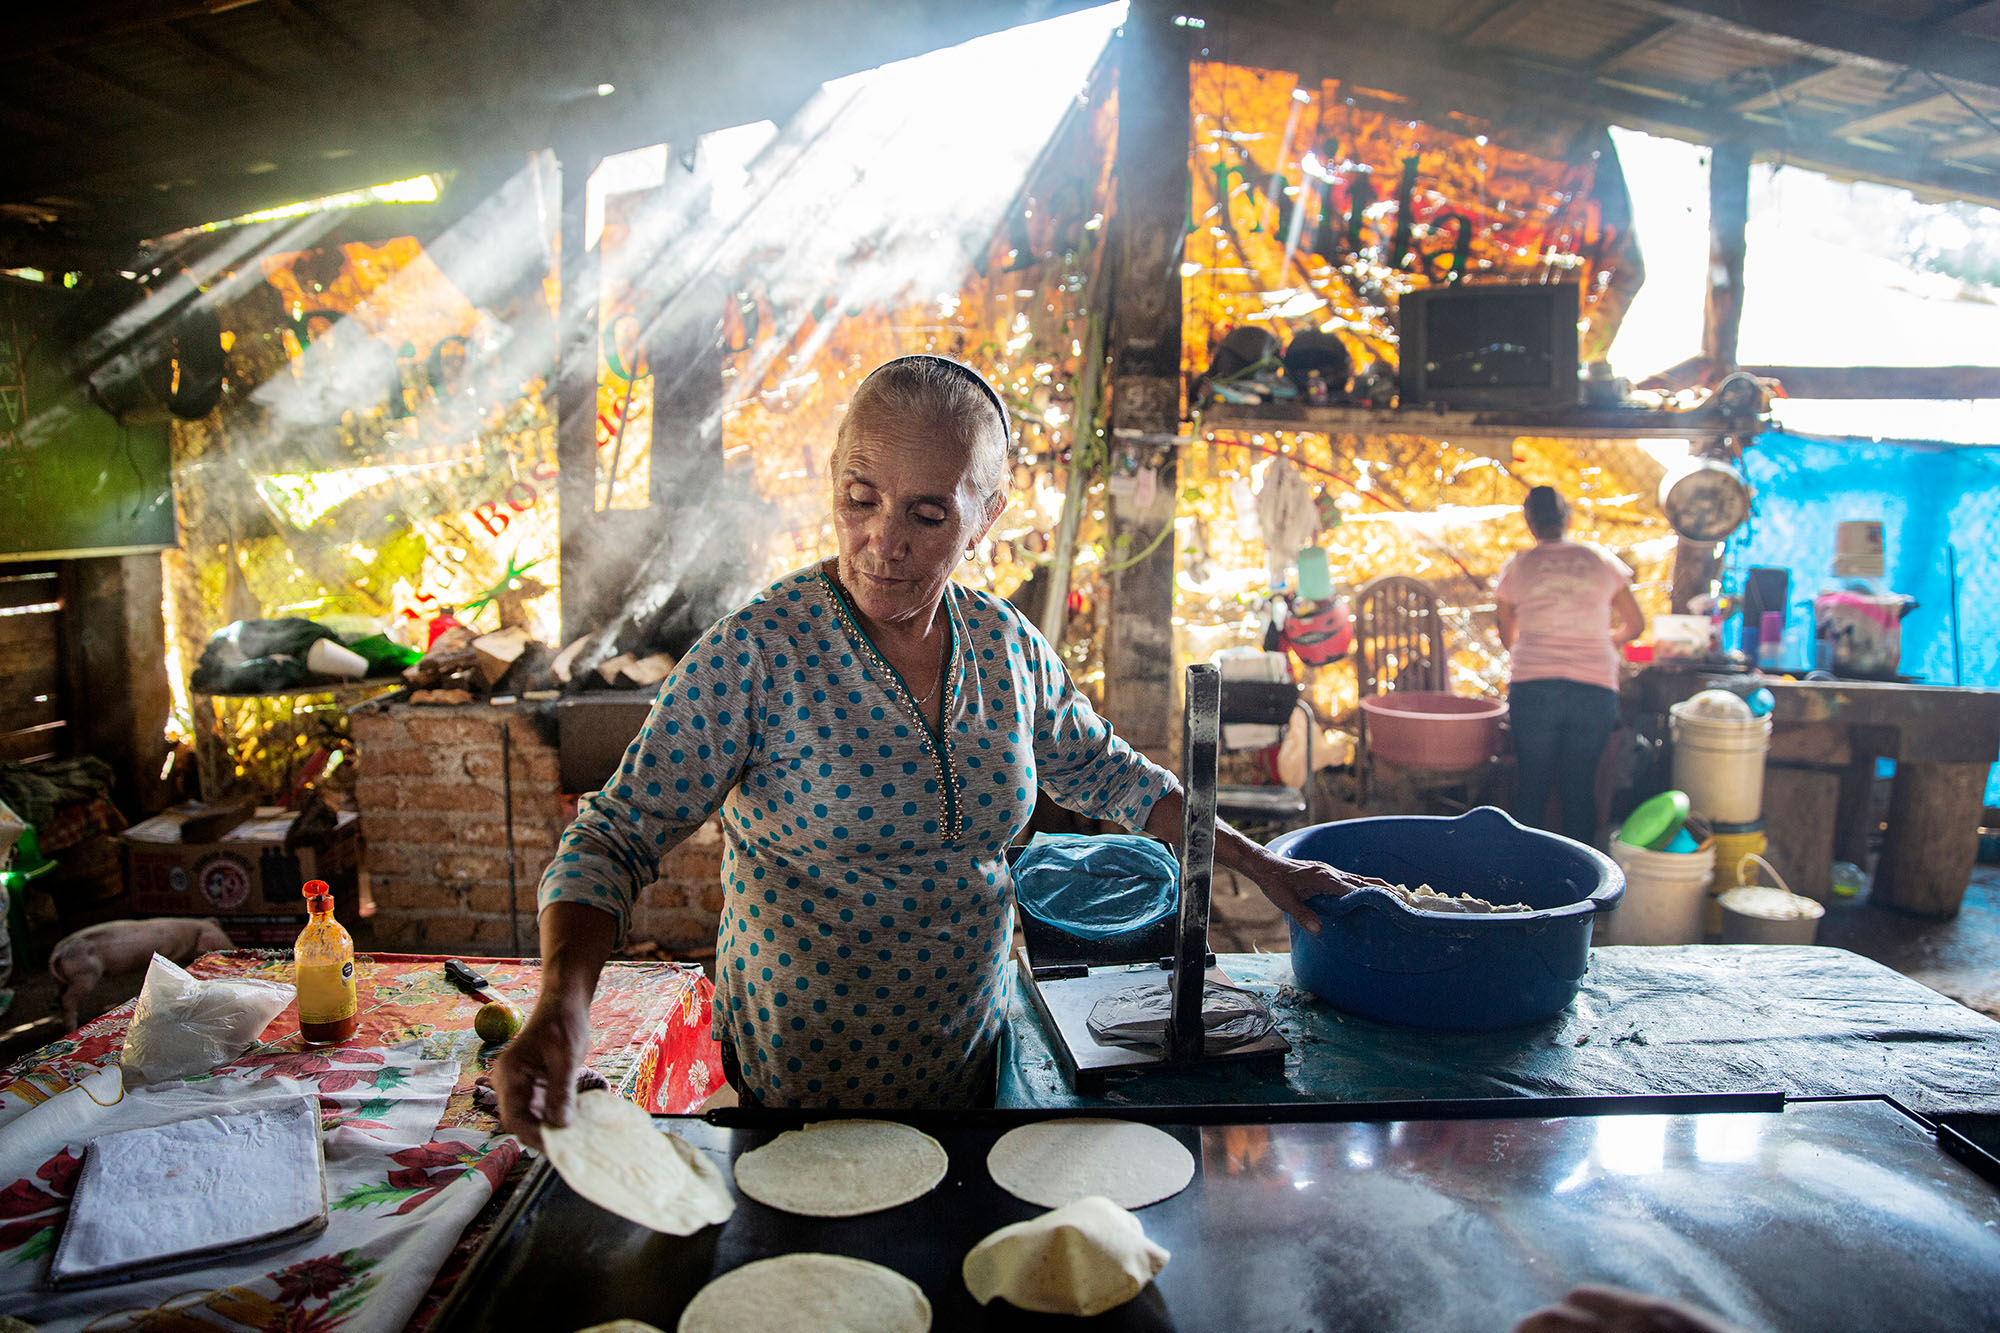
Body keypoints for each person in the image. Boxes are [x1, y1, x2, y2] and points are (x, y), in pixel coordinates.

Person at [495, 354, 1382, 1136]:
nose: (883, 541)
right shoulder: (760, 651)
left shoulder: (1006, 647)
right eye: (859, 498)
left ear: (985, 515)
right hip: (801, 1086)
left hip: (975, 1063)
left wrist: (1260, 864)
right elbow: (612, 837)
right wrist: (563, 1007)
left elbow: (1117, 776)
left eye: (927, 512)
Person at [1494, 486, 1643, 846]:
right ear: (1567, 517)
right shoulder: (1598, 560)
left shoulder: (1518, 565)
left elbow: (1506, 634)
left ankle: (1519, 886)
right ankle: (1585, 889)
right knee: (1580, 789)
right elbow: (1636, 624)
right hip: (1594, 687)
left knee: (1532, 787)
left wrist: (1536, 654)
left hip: (1534, 686)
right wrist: (1606, 641)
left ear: (1530, 523)